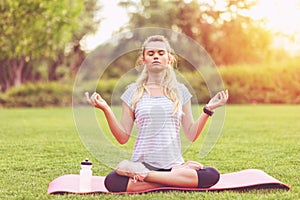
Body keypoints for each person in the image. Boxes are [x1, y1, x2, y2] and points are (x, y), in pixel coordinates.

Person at [85, 35, 229, 192]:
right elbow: (122, 137)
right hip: (142, 164)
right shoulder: (132, 92)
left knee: (211, 174)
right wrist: (106, 109)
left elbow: (191, 134)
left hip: (170, 166)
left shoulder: (181, 91)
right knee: (112, 181)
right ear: (143, 59)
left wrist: (209, 109)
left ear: (169, 58)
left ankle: (148, 176)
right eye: (151, 53)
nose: (156, 56)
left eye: (161, 53)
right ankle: (174, 180)